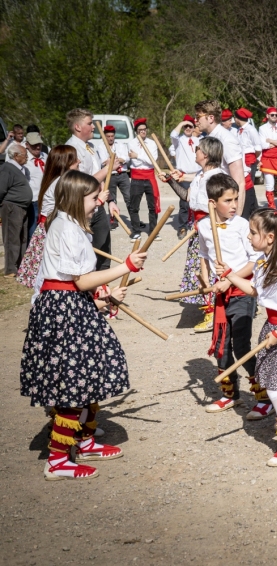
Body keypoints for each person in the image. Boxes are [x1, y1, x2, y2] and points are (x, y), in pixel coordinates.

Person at [21, 170, 146, 480]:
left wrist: (103, 298)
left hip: (72, 305)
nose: (98, 203)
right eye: (93, 198)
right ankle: (57, 461)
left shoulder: (72, 225)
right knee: (73, 382)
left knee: (90, 373)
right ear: (77, 199)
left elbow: (77, 283)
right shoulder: (65, 228)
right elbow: (80, 280)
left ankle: (85, 441)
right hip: (64, 311)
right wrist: (125, 266)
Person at [215, 208, 277, 466]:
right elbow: (254, 290)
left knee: (274, 387)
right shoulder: (262, 261)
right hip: (273, 327)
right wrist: (230, 275)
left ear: (270, 237)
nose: (248, 237)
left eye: (252, 233)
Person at [197, 174, 267, 416]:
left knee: (241, 346)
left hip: (242, 291)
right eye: (228, 200)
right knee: (221, 346)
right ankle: (230, 395)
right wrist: (205, 278)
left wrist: (229, 279)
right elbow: (204, 254)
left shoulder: (242, 225)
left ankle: (264, 396)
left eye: (236, 199)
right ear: (212, 202)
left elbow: (255, 260)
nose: (234, 205)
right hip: (220, 293)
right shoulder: (203, 226)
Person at [170, 137, 225, 332]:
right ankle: (209, 309)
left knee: (214, 268)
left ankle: (216, 311)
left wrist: (206, 223)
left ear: (206, 154)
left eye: (198, 149)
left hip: (212, 228)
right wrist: (170, 180)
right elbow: (188, 197)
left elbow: (219, 205)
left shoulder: (218, 177)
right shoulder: (200, 175)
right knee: (202, 270)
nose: (195, 152)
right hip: (198, 227)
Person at [16, 146, 80, 288]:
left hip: (50, 227)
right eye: (75, 159)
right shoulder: (61, 182)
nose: (79, 161)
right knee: (48, 271)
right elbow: (70, 209)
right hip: (50, 229)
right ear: (66, 162)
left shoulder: (59, 180)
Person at [64, 108, 117, 271]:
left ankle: (103, 283)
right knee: (86, 253)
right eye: (90, 123)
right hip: (82, 208)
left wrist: (110, 200)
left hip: (98, 205)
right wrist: (108, 169)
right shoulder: (71, 149)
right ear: (78, 127)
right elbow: (82, 183)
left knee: (104, 250)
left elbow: (99, 176)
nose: (94, 126)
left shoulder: (91, 146)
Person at [194, 100, 248, 216]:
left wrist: (236, 218)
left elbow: (239, 181)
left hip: (232, 200)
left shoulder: (226, 140)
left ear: (211, 118)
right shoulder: (209, 138)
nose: (195, 120)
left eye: (198, 117)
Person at [0, 143, 32, 276]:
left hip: (22, 207)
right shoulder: (7, 168)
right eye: (25, 155)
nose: (27, 157)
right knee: (11, 238)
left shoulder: (20, 169)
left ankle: (20, 266)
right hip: (12, 207)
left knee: (22, 238)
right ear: (16, 155)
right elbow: (1, 189)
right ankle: (10, 269)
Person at [126, 118, 159, 241]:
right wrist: (144, 158)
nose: (143, 132)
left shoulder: (152, 143)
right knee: (134, 206)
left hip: (150, 177)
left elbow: (153, 160)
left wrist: (138, 155)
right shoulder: (131, 143)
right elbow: (135, 162)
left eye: (144, 129)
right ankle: (136, 231)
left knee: (153, 206)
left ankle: (153, 231)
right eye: (140, 130)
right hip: (136, 177)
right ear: (136, 131)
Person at [169, 116, 202, 239]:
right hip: (184, 176)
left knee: (198, 201)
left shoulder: (198, 140)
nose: (188, 128)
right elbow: (173, 135)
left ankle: (196, 225)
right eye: (185, 126)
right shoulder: (179, 140)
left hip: (197, 175)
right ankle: (182, 227)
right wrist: (183, 122)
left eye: (190, 126)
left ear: (194, 128)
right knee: (184, 203)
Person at [96, 125, 132, 232]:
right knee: (112, 199)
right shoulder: (101, 147)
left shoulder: (120, 145)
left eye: (112, 136)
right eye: (108, 136)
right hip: (110, 175)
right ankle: (114, 220)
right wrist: (111, 161)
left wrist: (117, 160)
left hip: (123, 174)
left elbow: (126, 158)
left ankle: (134, 219)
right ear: (105, 136)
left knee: (129, 197)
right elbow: (103, 161)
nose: (110, 138)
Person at [23, 132, 47, 241]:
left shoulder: (45, 156)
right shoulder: (24, 159)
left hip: (46, 199)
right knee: (33, 231)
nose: (37, 147)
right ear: (27, 145)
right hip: (33, 200)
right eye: (34, 145)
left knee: (45, 230)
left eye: (39, 144)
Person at [234, 107, 262, 196]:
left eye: (235, 117)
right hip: (241, 159)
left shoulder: (251, 130)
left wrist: (255, 158)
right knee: (243, 184)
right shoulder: (239, 130)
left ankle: (252, 202)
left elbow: (258, 148)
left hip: (249, 160)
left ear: (238, 118)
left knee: (249, 185)